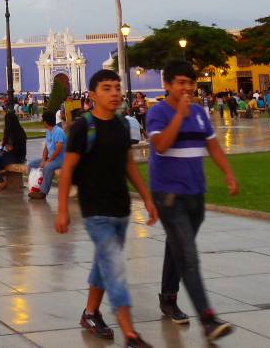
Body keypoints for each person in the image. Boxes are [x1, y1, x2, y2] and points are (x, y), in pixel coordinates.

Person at [55, 69, 157, 348]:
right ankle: (131, 335)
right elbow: (67, 171)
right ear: (92, 95)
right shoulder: (82, 127)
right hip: (95, 210)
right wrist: (62, 209)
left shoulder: (123, 125)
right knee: (115, 269)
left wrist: (146, 197)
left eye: (116, 87)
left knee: (104, 262)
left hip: (120, 208)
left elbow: (128, 165)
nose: (114, 93)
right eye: (106, 88)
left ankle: (90, 313)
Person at [146, 60, 238, 340]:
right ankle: (208, 320)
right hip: (169, 194)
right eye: (181, 82)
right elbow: (161, 146)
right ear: (167, 85)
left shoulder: (199, 113)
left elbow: (213, 146)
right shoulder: (157, 113)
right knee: (188, 255)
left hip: (195, 194)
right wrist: (179, 116)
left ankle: (168, 297)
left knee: (178, 246)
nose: (187, 88)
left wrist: (228, 173)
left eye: (190, 82)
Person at [27, 110, 66, 199]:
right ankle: (35, 187)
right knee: (31, 165)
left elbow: (58, 149)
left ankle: (43, 192)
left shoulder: (58, 131)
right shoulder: (48, 131)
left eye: (43, 121)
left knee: (48, 167)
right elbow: (46, 148)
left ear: (46, 122)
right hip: (51, 158)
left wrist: (48, 161)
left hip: (61, 159)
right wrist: (44, 159)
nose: (42, 123)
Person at [0, 111, 27, 189]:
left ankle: (2, 180)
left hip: (14, 157)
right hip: (20, 157)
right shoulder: (20, 130)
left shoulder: (12, 133)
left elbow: (10, 148)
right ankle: (2, 177)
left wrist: (4, 143)